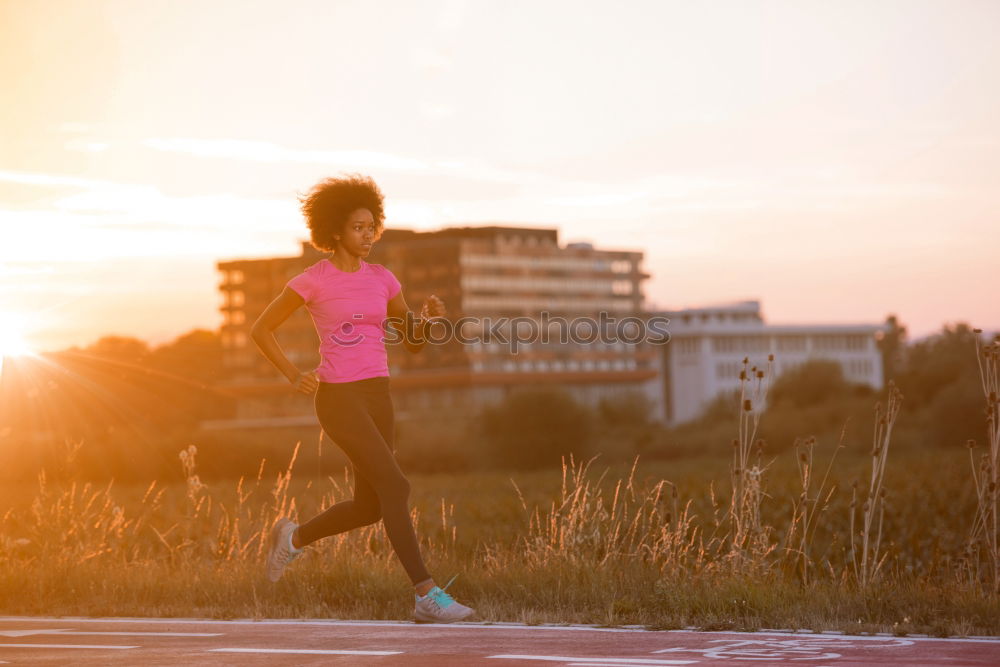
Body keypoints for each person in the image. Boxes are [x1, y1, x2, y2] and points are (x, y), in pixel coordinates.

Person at [250, 174, 474, 624]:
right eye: (358, 227)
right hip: (338, 398)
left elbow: (410, 343)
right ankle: (426, 596)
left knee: (371, 507)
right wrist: (293, 374)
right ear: (335, 230)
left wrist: (428, 322)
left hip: (378, 394)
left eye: (373, 225)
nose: (368, 234)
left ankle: (292, 539)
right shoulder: (312, 280)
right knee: (396, 486)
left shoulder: (383, 279)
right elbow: (261, 329)